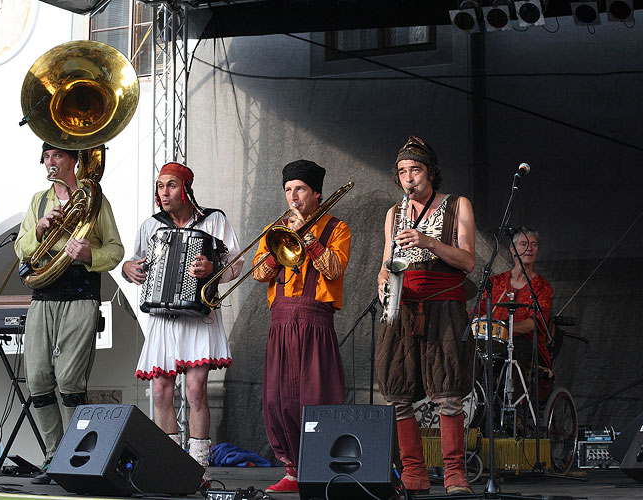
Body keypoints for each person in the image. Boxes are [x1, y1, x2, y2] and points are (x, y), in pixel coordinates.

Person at [122, 162, 243, 479]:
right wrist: (128, 269)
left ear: (187, 189)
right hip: (164, 318)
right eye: (160, 186)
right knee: (161, 392)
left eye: (171, 185)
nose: (164, 192)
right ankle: (170, 464)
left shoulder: (213, 220)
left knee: (194, 391)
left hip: (199, 316)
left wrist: (212, 268)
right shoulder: (152, 225)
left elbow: (236, 265)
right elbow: (133, 262)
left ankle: (199, 467)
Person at [15, 142, 124, 484]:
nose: (50, 162)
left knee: (70, 380)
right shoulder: (38, 201)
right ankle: (52, 456)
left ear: (74, 161)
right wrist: (39, 228)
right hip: (44, 296)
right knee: (37, 379)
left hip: (80, 296)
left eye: (57, 155)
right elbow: (21, 247)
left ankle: (73, 457)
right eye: (46, 156)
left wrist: (90, 254)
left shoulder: (95, 200)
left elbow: (116, 250)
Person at [375, 136, 476, 495]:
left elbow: (467, 261)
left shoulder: (457, 204)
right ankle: (413, 473)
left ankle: (455, 475)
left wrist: (428, 241)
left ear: (431, 171)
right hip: (403, 306)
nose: (408, 178)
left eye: (415, 170)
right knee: (398, 390)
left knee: (448, 389)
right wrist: (383, 281)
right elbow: (386, 265)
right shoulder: (394, 212)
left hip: (444, 304)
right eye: (402, 172)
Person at [252, 160, 351, 493]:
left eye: (300, 190)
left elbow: (334, 268)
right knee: (276, 400)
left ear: (317, 194)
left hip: (314, 321)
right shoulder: (275, 229)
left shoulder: (337, 227)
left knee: (316, 396)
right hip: (280, 320)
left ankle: (322, 467)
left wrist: (306, 235)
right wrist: (281, 244)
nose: (292, 197)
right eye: (288, 190)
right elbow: (258, 274)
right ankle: (292, 471)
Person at [474, 228, 553, 384]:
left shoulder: (542, 287)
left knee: (515, 354)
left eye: (534, 245)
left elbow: (534, 322)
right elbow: (477, 312)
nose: (529, 249)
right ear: (512, 249)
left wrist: (503, 328)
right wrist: (479, 323)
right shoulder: (495, 282)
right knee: (472, 352)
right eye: (523, 244)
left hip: (526, 342)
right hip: (492, 340)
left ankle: (515, 405)